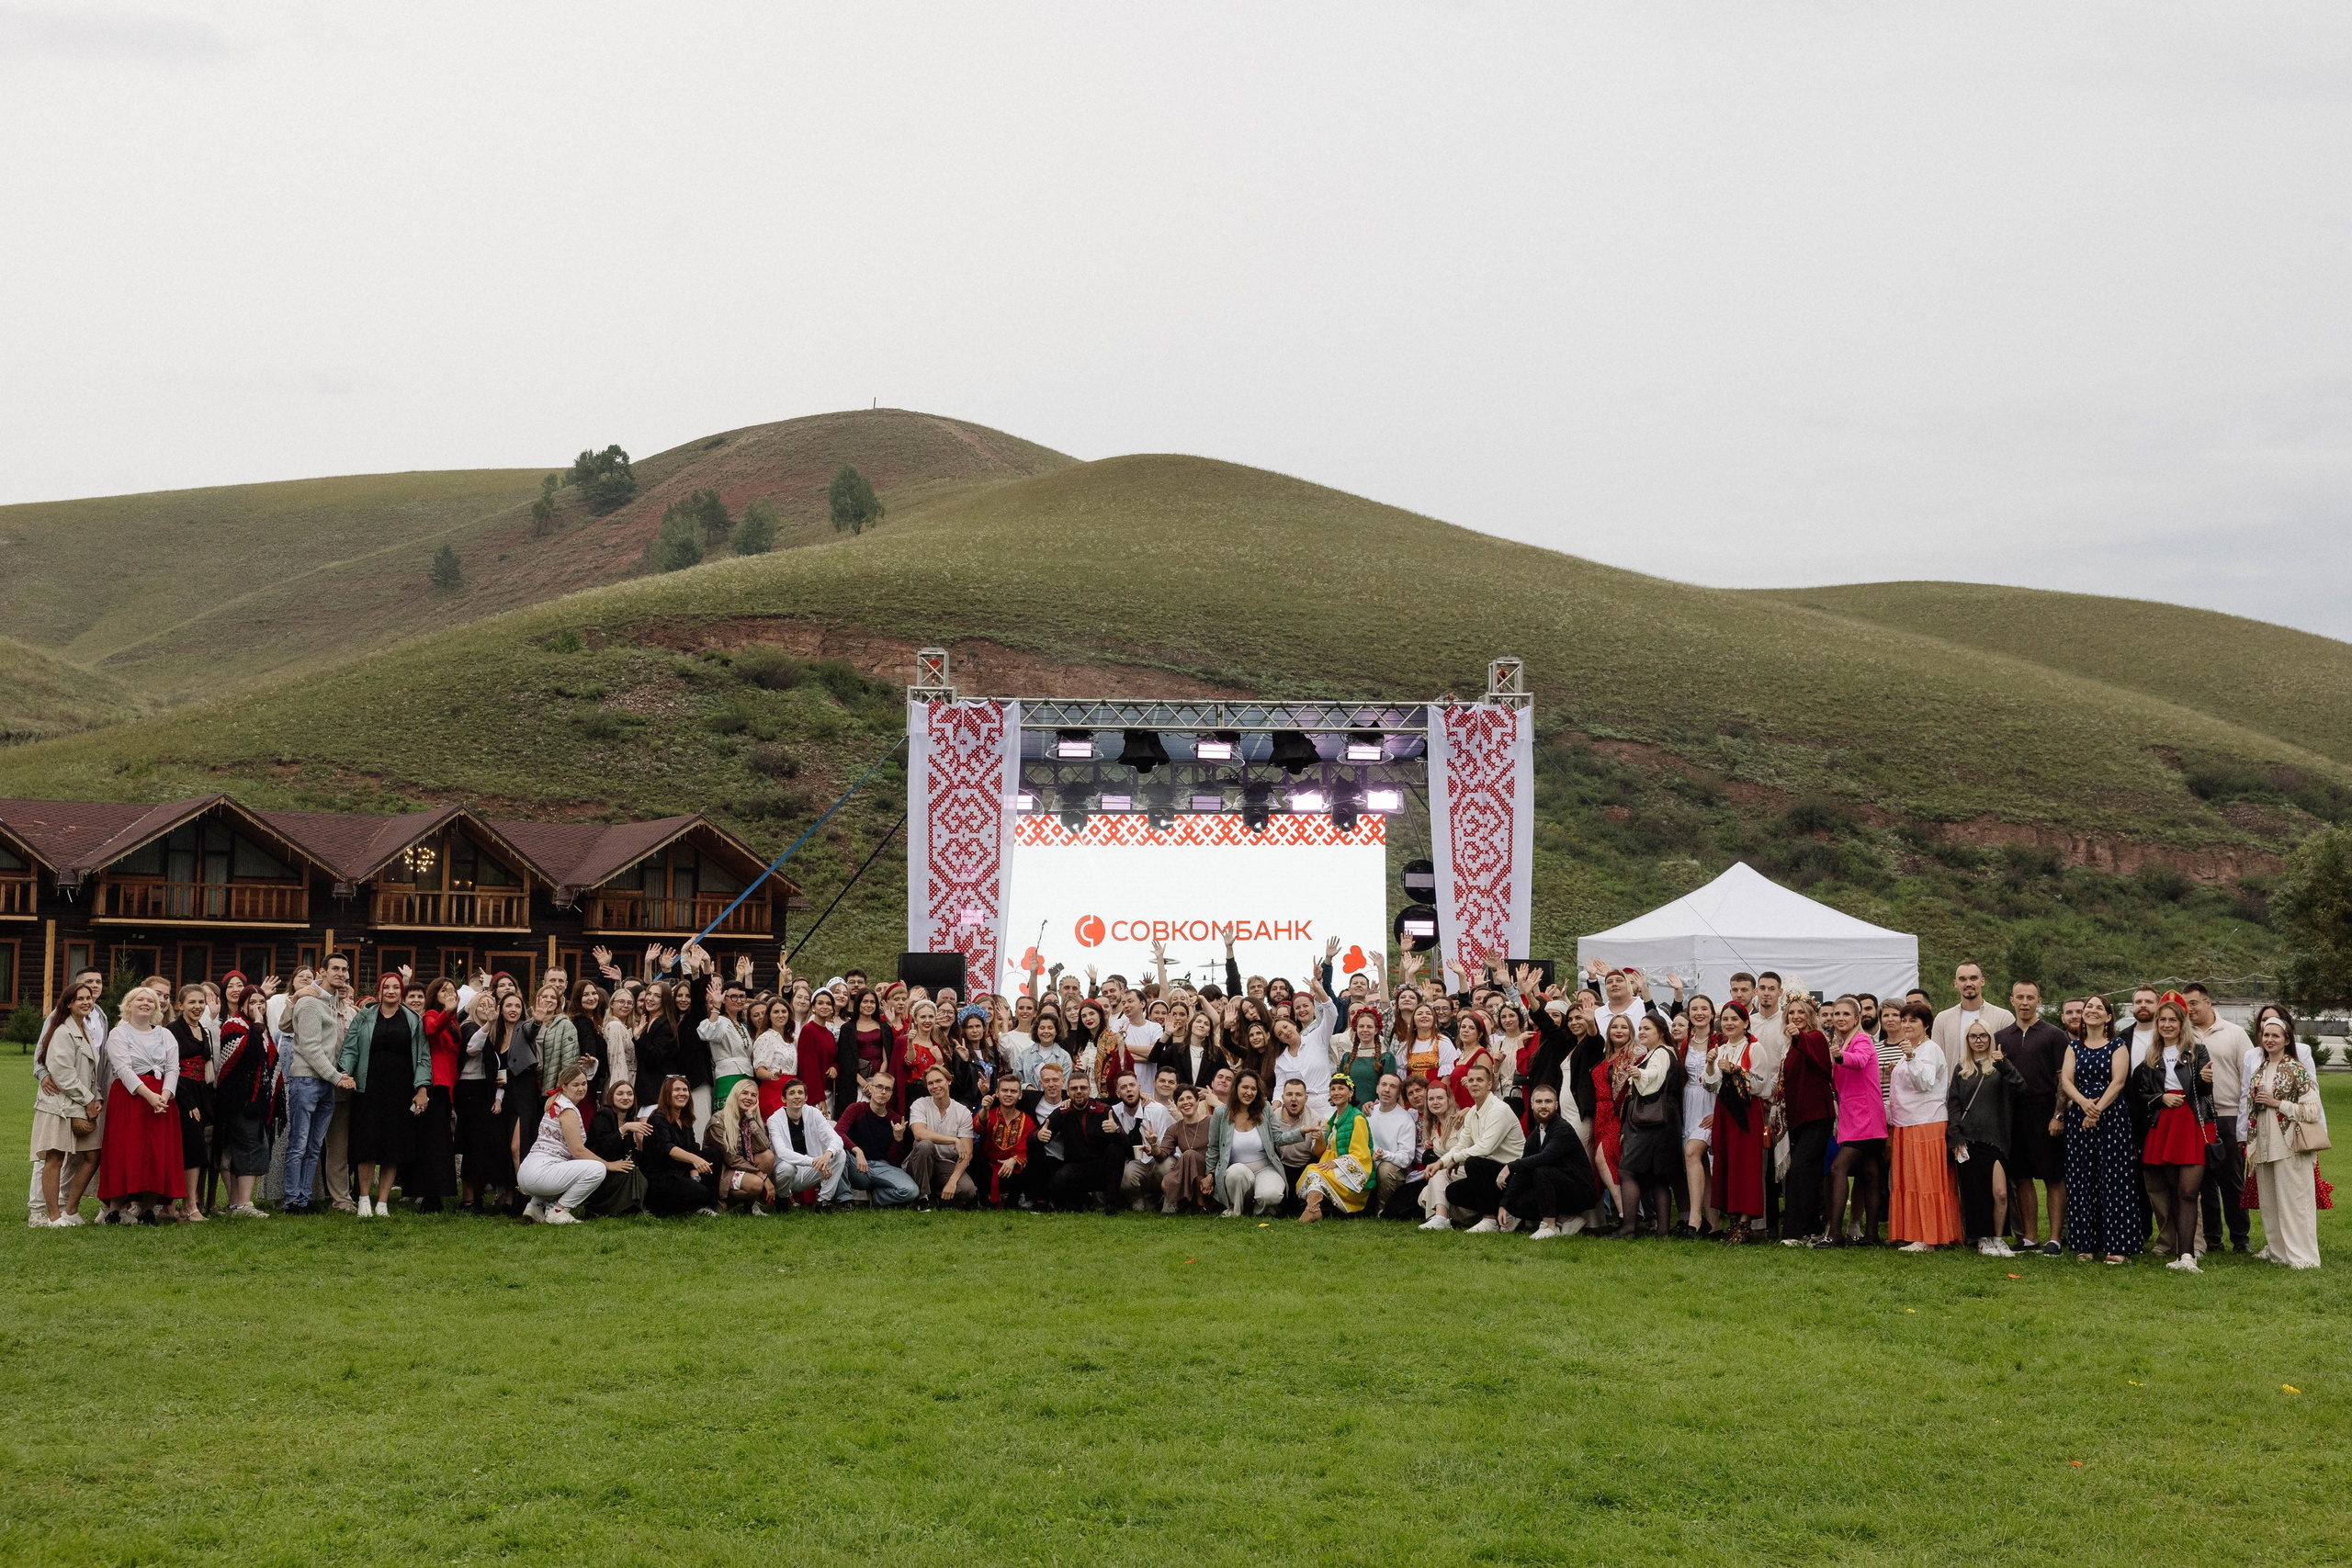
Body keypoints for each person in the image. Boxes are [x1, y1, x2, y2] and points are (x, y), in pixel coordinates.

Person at [336, 971, 430, 1221]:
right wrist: (344, 1073)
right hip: (368, 1088)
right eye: (386, 987)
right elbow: (351, 1048)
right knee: (366, 1144)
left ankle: (383, 1202)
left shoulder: (413, 1019)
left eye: (396, 987)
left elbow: (423, 1056)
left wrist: (422, 1088)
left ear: (401, 991)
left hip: (401, 1091)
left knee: (393, 1146)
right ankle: (365, 1198)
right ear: (379, 990)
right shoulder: (364, 1017)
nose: (391, 991)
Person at [2131, 996, 2215, 1271]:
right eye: (2163, 1020)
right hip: (2164, 1124)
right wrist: (2161, 1099)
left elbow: (2203, 1093)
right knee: (2172, 1191)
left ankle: (2189, 1255)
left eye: (2172, 1020)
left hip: (2191, 1122)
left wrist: (2203, 1081)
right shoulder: (2151, 1057)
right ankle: (2181, 1253)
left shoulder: (2196, 1051)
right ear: (2157, 1024)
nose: (2167, 1025)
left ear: (2182, 1024)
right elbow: (2141, 1094)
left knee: (2189, 1191)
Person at [2060, 995, 2140, 1264]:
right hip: (2079, 1119)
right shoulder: (2074, 1047)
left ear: (2108, 1017)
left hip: (2112, 1118)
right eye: (2088, 1007)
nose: (2092, 1011)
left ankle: (2117, 1246)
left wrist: (2096, 1111)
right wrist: (2083, 1104)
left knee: (2114, 1180)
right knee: (2082, 1180)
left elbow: (2118, 1082)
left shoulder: (2118, 1046)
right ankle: (2085, 1244)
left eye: (2098, 1008)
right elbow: (2066, 1080)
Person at [1993, 981, 2072, 1256]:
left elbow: (2064, 1077)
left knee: (2053, 1176)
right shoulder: (2002, 1035)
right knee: (2022, 1177)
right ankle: (2029, 1237)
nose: (2024, 1002)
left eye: (2030, 998)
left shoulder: (2054, 1035)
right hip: (2015, 1111)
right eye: (2019, 997)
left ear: (2039, 1001)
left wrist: (2059, 1114)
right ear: (2011, 1000)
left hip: (2046, 1108)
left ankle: (2055, 1238)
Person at [2243, 1016, 2324, 1269]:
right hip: (2264, 1145)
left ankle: (2304, 1258)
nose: (2270, 1040)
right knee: (2270, 1203)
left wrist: (2279, 1104)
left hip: (2290, 1144)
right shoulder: (2259, 1070)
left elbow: (2312, 1109)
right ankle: (2279, 1255)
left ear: (2287, 1040)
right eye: (2266, 1035)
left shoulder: (2296, 1069)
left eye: (2276, 1036)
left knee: (2295, 1202)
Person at [2184, 983, 2255, 1257]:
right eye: (2185, 1005)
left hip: (2227, 1116)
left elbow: (2249, 1077)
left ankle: (2241, 1237)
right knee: (2203, 1182)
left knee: (2231, 1181)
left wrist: (2244, 1124)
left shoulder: (2234, 1034)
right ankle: (2212, 1238)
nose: (2189, 1009)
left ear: (2208, 1002)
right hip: (2196, 1117)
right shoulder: (2184, 1035)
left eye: (2194, 1003)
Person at [516, 1059, 633, 1224]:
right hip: (539, 1173)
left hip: (529, 1170)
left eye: (584, 1084)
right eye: (575, 1085)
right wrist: (608, 1165)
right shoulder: (568, 1109)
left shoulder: (557, 1103)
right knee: (596, 1169)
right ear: (564, 1086)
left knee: (569, 1167)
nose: (581, 1088)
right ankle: (558, 1210)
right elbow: (578, 1151)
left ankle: (535, 1206)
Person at [1885, 1000, 1962, 1251]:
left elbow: (1926, 1083)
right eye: (1904, 1020)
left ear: (1926, 1025)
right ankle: (1916, 1232)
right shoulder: (1913, 1049)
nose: (1906, 1025)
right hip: (1908, 1122)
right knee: (1911, 1181)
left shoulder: (1929, 1049)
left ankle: (1929, 1236)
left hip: (1926, 1123)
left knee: (1925, 1181)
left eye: (1913, 1021)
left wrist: (1910, 1058)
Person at [1947, 1021, 2025, 1256]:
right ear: (1967, 1040)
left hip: (1996, 1138)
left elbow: (2021, 1087)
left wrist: (2004, 1065)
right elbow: (1954, 1104)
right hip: (1969, 1138)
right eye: (1973, 1036)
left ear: (1990, 1038)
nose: (1978, 1040)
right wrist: (1955, 1135)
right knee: (1975, 1192)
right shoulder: (1962, 1068)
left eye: (1983, 1036)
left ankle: (1999, 1237)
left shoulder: (2000, 1066)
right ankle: (1982, 1238)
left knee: (2000, 1193)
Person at [1815, 998, 1887, 1249]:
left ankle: (1835, 1233)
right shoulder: (1842, 1041)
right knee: (1869, 1172)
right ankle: (1871, 1235)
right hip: (1855, 1116)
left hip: (1864, 1117)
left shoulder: (1862, 1040)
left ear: (1857, 1018)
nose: (1840, 1017)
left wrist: (1840, 1056)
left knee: (1837, 1168)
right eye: (1836, 1013)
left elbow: (1858, 1060)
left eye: (1846, 1014)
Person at [31, 983, 106, 1225]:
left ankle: (71, 1210)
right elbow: (62, 1074)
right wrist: (88, 1099)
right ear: (68, 1003)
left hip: (81, 1103)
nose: (86, 1002)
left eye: (89, 998)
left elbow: (90, 1071)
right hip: (59, 1105)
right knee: (55, 1159)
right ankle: (53, 1217)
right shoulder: (62, 1031)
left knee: (93, 1156)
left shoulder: (84, 1028)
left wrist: (97, 1098)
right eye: (80, 999)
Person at [1430, 1061, 1525, 1232]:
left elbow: (1484, 1148)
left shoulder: (1499, 1110)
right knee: (1454, 1191)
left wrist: (1455, 1159)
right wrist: (1440, 1163)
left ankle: (1489, 1220)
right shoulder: (1472, 1112)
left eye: (1480, 1080)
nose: (1474, 1084)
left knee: (1473, 1163)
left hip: (1514, 1174)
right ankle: (1502, 1214)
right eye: (1471, 1080)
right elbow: (1462, 1145)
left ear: (1490, 1084)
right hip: (1492, 1173)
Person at [1496, 1085, 1599, 1239]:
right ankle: (1565, 1220)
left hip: (1580, 1192)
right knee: (1517, 1204)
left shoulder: (1563, 1129)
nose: (1543, 1106)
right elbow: (1523, 1172)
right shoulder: (1535, 1135)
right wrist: (1504, 1204)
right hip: (1556, 1189)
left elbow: (1545, 1157)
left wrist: (1510, 1166)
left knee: (1541, 1170)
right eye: (1539, 1102)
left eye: (1548, 1102)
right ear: (1532, 1105)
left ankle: (1549, 1226)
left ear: (1556, 1105)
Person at [211, 987, 279, 1219]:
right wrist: (258, 1024)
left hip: (256, 1099)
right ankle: (243, 1204)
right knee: (250, 1147)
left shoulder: (258, 1029)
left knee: (247, 1148)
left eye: (262, 1002)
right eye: (253, 1002)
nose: (258, 1006)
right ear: (242, 1005)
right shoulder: (234, 1026)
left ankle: (236, 1204)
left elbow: (270, 1059)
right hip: (239, 1100)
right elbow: (245, 1054)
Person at [1706, 1000, 1769, 1243]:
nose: (1729, 1023)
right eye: (1726, 1019)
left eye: (1735, 1019)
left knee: (1745, 1165)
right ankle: (1733, 1219)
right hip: (1724, 1111)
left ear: (1745, 1022)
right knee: (1727, 1163)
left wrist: (1735, 1070)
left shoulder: (1755, 1048)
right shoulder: (1720, 1048)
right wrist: (1711, 1064)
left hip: (1746, 1112)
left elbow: (1762, 1083)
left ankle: (1744, 1222)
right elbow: (1710, 1085)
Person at [1775, 996, 1836, 1245]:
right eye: (1791, 1013)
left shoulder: (1816, 1038)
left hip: (1818, 1116)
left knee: (1800, 1171)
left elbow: (1818, 1058)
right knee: (1806, 1173)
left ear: (1810, 1014)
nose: (1796, 1016)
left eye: (1801, 1012)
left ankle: (1794, 1231)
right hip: (1798, 1118)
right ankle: (1811, 1227)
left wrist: (1799, 1036)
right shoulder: (1789, 1045)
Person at [456, 991, 514, 1213]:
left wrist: (499, 1098)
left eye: (491, 1005)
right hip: (470, 1090)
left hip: (488, 1091)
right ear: (473, 1008)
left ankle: (483, 1194)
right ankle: (468, 1200)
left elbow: (500, 1069)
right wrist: (488, 1025)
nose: (487, 1008)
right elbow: (472, 1048)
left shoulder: (497, 1033)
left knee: (487, 1146)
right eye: (482, 1004)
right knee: (472, 1145)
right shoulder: (469, 1027)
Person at [1210, 1069, 1289, 1217]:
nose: (1249, 1092)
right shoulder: (1221, 1113)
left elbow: (1278, 1137)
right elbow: (1213, 1148)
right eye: (1245, 1087)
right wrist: (1209, 1173)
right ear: (1236, 1088)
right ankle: (1236, 1210)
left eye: (1253, 1089)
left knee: (1270, 1195)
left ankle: (1260, 1211)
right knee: (1236, 1173)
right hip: (1237, 1169)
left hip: (1265, 1168)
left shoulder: (1265, 1109)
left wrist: (1302, 1132)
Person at [1295, 1074, 1374, 1221]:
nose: (1336, 1092)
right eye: (1333, 1089)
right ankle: (1313, 1209)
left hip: (1351, 1172)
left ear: (1350, 1093)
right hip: (1334, 1168)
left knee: (1315, 1172)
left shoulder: (1357, 1119)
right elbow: (1321, 1152)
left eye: (1341, 1088)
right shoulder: (1332, 1121)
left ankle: (1312, 1210)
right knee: (1313, 1169)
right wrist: (1319, 1138)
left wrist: (1335, 1163)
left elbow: (1361, 1154)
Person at [835, 1074, 920, 1208]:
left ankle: (877, 1197)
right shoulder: (856, 1109)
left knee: (911, 1191)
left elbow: (894, 1162)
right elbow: (838, 1133)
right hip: (856, 1165)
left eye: (888, 1088)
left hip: (881, 1167)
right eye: (879, 1087)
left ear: (891, 1093)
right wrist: (857, 1151)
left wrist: (898, 1139)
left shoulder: (895, 1119)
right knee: (839, 1153)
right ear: (871, 1088)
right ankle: (845, 1200)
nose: (883, 1092)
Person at [642, 1076, 718, 1216]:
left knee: (713, 1155)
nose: (682, 1093)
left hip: (680, 1171)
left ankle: (706, 1205)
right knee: (700, 1192)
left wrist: (694, 1174)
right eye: (676, 1090)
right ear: (667, 1094)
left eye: (685, 1090)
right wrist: (693, 1160)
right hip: (662, 1176)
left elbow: (693, 1148)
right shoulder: (657, 1118)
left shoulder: (685, 1118)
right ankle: (661, 1208)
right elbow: (667, 1147)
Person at [703, 1079, 779, 1213]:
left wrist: (751, 1119)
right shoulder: (718, 1121)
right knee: (757, 1183)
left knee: (767, 1156)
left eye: (753, 1095)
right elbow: (731, 1158)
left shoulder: (748, 1119)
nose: (749, 1098)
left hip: (743, 1167)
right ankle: (725, 1202)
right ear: (735, 1095)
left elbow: (764, 1146)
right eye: (744, 1093)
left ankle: (751, 1205)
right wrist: (762, 1175)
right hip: (722, 1172)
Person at [906, 1066, 978, 1207]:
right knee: (925, 1144)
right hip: (919, 1162)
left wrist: (952, 1181)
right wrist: (953, 1140)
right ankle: (923, 1198)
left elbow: (967, 1153)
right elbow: (919, 1133)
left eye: (939, 1081)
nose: (935, 1086)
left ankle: (937, 1196)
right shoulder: (920, 1104)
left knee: (968, 1190)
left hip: (945, 1163)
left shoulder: (962, 1112)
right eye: (930, 1083)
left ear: (949, 1081)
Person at [768, 1077, 847, 1206]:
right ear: (784, 1099)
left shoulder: (814, 1113)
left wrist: (827, 1155)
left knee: (840, 1154)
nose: (797, 1096)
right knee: (787, 1167)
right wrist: (814, 1162)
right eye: (792, 1093)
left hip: (811, 1169)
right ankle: (782, 1199)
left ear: (806, 1097)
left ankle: (823, 1201)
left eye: (800, 1093)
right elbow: (782, 1152)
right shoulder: (774, 1120)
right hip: (786, 1173)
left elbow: (836, 1139)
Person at [1678, 993, 1718, 1235]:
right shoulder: (1686, 1042)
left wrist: (1719, 1112)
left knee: (1691, 1152)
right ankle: (1714, 1225)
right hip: (1689, 1101)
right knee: (1701, 1162)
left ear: (1712, 1013)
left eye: (1704, 1008)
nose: (1699, 1012)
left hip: (1712, 1101)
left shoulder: (1720, 1040)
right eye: (1694, 1009)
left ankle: (1694, 1220)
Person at [581, 1079, 651, 1216]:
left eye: (629, 1094)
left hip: (618, 1169)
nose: (625, 1097)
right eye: (620, 1093)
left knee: (637, 1171)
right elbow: (604, 1148)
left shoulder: (628, 1120)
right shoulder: (603, 1115)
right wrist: (623, 1130)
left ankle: (630, 1209)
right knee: (632, 1173)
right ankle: (600, 1209)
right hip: (599, 1169)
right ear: (611, 1096)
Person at [1930, 960, 2015, 1063]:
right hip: (1954, 1078)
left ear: (1982, 981)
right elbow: (1936, 1060)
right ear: (1956, 984)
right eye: (1962, 979)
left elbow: (2011, 1059)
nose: (1968, 983)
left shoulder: (2003, 1018)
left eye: (1973, 978)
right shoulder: (1942, 1019)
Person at [975, 1073, 1035, 1208]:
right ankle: (982, 1196)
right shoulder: (990, 1113)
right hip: (988, 1170)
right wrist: (984, 1109)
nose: (1008, 1094)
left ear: (1020, 1095)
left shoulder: (1027, 1120)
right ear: (997, 1093)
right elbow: (979, 1127)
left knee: (1032, 1159)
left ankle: (1014, 1198)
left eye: (1013, 1091)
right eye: (1004, 1090)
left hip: (1013, 1172)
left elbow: (1025, 1147)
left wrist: (1014, 1160)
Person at [1363, 1070, 1418, 1215]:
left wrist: (1384, 1155)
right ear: (1377, 1088)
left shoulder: (1405, 1119)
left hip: (1395, 1171)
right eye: (1384, 1085)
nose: (1387, 1090)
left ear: (1399, 1093)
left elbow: (1406, 1158)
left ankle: (1382, 1209)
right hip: (1368, 1164)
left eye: (1393, 1087)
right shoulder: (1368, 1113)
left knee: (1385, 1168)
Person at [1159, 1083, 1217, 1213]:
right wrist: (1152, 1146)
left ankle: (1200, 1205)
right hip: (1188, 1170)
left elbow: (1221, 1151)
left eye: (1189, 1098)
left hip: (1211, 1169)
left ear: (1198, 1101)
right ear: (1177, 1105)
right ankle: (1185, 1202)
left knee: (1190, 1154)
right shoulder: (1174, 1128)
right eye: (1181, 1100)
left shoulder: (1212, 1122)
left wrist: (1211, 1174)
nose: (1185, 1102)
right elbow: (1162, 1153)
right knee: (1165, 1182)